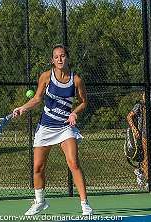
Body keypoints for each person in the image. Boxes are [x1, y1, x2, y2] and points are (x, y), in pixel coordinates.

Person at [13, 44, 93, 216]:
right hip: (46, 128)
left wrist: (74, 112)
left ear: (67, 58)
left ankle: (85, 204)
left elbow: (84, 102)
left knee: (73, 163)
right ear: (52, 60)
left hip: (65, 128)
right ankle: (40, 202)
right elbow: (36, 98)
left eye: (62, 56)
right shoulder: (46, 77)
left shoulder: (76, 80)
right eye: (56, 57)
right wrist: (23, 108)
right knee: (38, 168)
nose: (60, 59)